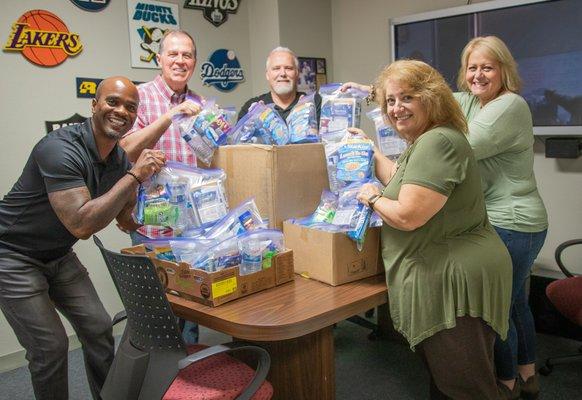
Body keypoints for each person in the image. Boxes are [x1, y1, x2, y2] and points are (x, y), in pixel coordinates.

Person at [343, 60, 513, 399]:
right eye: (390, 101)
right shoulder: (425, 140)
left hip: (455, 282)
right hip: (448, 271)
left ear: (430, 98)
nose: (395, 108)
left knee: (466, 386)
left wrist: (372, 198)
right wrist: (371, 151)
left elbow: (407, 214)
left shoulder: (437, 142)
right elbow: (403, 183)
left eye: (406, 98)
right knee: (448, 379)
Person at [0, 77, 166, 400]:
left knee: (99, 327)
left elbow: (123, 216)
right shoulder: (59, 148)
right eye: (113, 102)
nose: (121, 111)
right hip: (12, 255)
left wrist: (163, 212)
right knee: (51, 346)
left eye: (130, 107)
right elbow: (81, 224)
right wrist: (135, 175)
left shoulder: (117, 157)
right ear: (94, 105)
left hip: (58, 254)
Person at [455, 36, 548, 400]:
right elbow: (427, 98)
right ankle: (527, 376)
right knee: (513, 302)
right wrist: (374, 92)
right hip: (517, 222)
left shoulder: (510, 104)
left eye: (487, 67)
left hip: (512, 223)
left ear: (504, 70)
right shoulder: (470, 101)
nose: (478, 74)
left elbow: (461, 147)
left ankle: (506, 382)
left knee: (496, 307)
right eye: (472, 67)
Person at [120, 29, 202, 344]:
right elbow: (125, 149)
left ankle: (190, 378)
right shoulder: (139, 97)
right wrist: (170, 115)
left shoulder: (200, 103)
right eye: (173, 54)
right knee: (156, 312)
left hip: (191, 228)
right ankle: (156, 381)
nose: (180, 61)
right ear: (159, 58)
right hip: (150, 224)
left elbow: (208, 161)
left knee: (191, 309)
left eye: (187, 55)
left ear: (194, 61)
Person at [237, 46, 321, 122]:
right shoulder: (252, 107)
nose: (282, 74)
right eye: (276, 68)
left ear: (297, 73)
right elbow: (238, 137)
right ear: (267, 75)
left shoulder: (314, 102)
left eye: (288, 68)